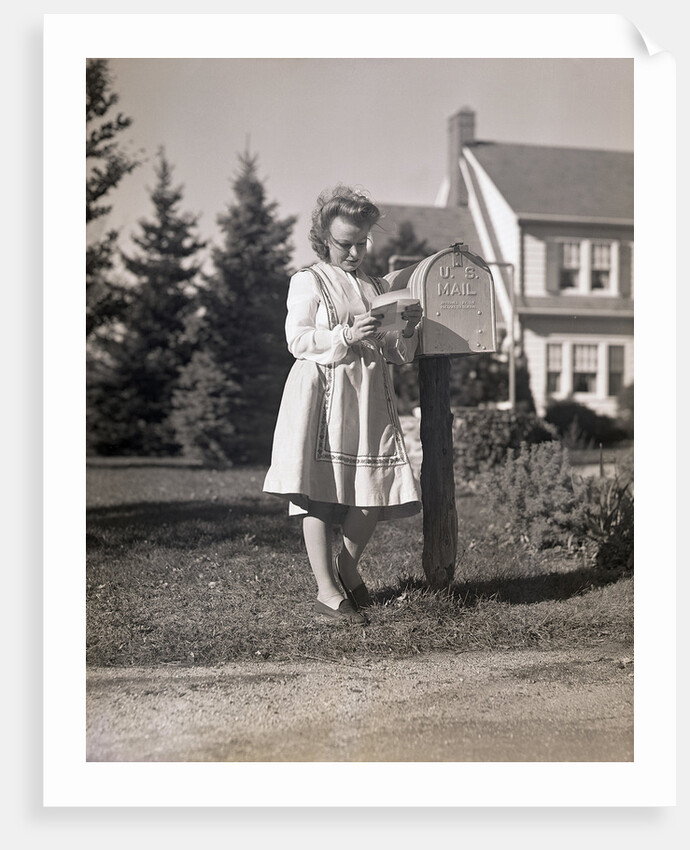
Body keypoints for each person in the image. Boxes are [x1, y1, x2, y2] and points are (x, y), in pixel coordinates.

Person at [263, 185, 423, 624]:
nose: (354, 252)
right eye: (345, 244)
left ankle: (348, 567)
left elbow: (393, 351)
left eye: (362, 242)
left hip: (369, 392)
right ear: (324, 239)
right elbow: (297, 340)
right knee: (319, 492)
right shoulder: (308, 280)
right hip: (322, 388)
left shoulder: (376, 285)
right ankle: (326, 591)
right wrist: (346, 335)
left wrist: (404, 332)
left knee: (370, 489)